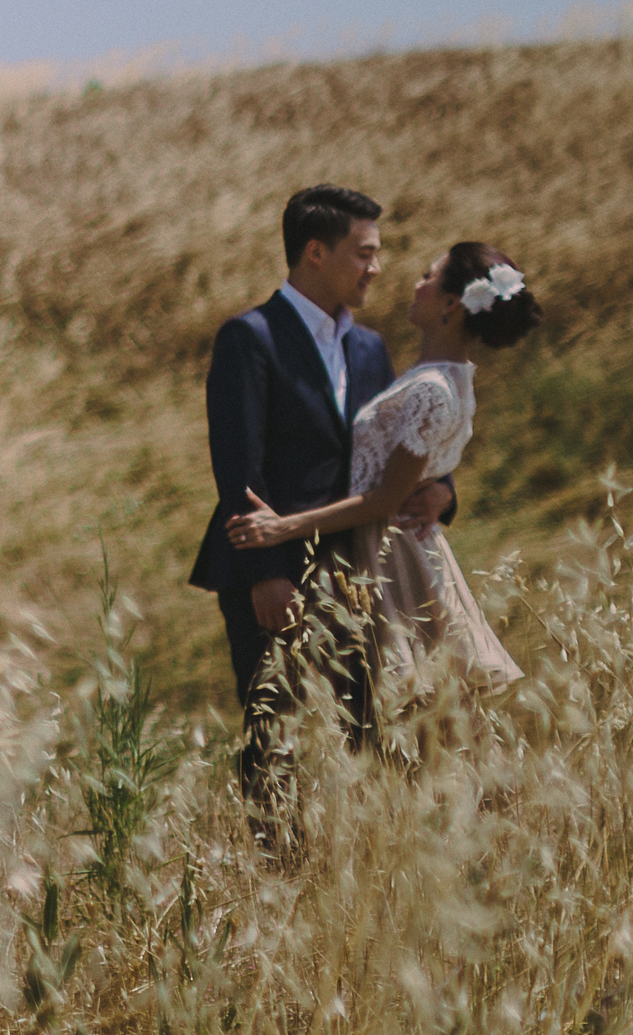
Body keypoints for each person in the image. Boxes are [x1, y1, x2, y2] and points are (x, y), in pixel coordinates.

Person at [188, 185, 456, 800]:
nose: (376, 267)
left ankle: (346, 876)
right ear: (315, 251)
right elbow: (238, 468)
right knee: (274, 740)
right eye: (363, 253)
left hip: (356, 571)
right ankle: (276, 877)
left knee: (362, 733)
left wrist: (443, 493)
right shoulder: (249, 337)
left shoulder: (367, 346)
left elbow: (394, 449)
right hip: (274, 570)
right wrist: (266, 574)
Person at [228, 240, 530, 693]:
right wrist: (440, 488)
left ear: (451, 303)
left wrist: (282, 529)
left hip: (390, 556)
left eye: (428, 276)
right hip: (389, 547)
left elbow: (385, 498)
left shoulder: (433, 388)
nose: (415, 283)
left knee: (414, 712)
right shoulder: (444, 377)